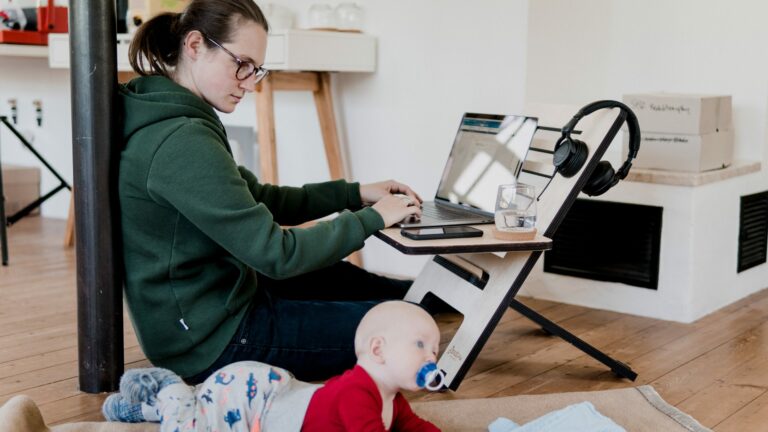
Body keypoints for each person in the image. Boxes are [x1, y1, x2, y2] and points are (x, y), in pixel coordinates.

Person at [118, 0, 423, 386]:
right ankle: (420, 309)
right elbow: (276, 254)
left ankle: (422, 298)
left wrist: (355, 193)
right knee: (403, 331)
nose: (249, 82)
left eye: (255, 70)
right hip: (213, 341)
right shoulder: (180, 140)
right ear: (195, 46)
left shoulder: (173, 113)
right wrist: (374, 218)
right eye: (240, 64)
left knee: (369, 288)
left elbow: (260, 197)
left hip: (222, 301)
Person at [103, 301, 442, 431]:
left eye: (435, 349)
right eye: (421, 345)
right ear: (378, 349)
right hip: (253, 403)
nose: (432, 357)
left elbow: (415, 427)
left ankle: (142, 409)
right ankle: (167, 389)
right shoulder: (357, 393)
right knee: (192, 428)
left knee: (206, 404)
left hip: (275, 389)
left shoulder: (391, 400)